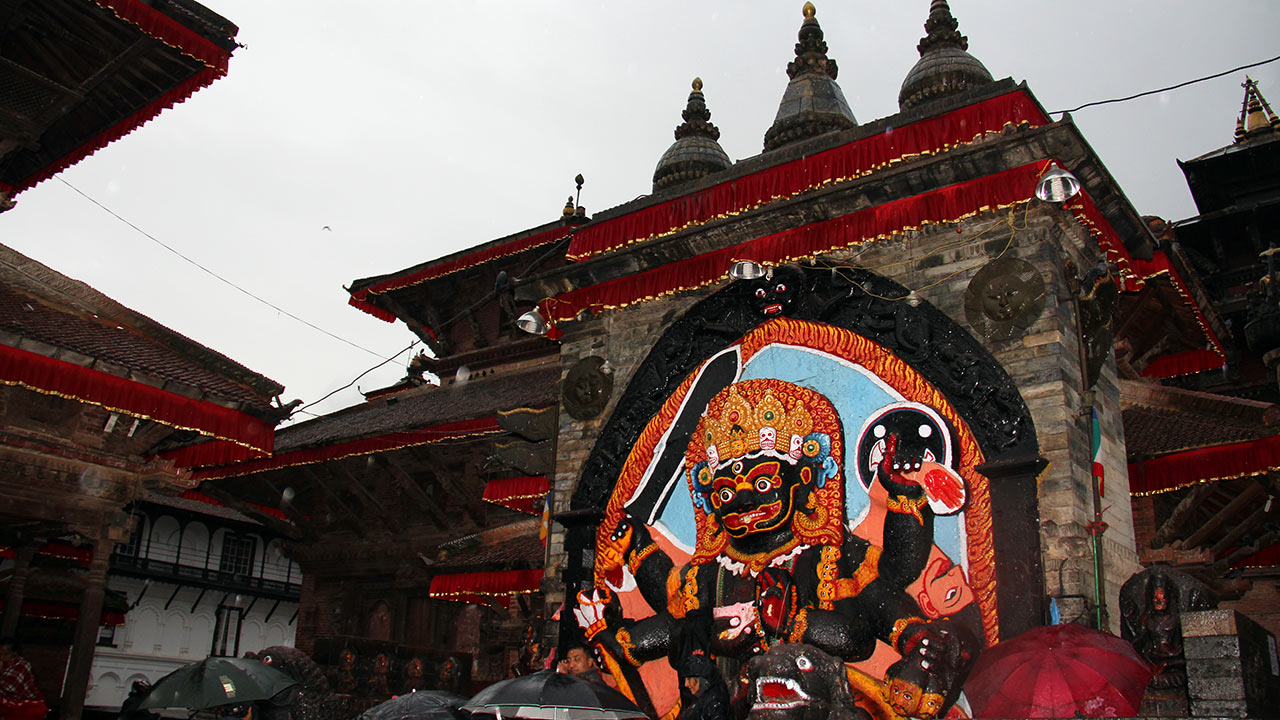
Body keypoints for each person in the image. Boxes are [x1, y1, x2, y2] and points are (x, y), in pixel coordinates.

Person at [0, 637, 45, 720]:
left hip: (28, 705)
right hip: (11, 704)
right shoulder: (3, 663)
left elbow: (9, 687)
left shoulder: (22, 665)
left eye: (5, 654)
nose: (1, 657)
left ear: (15, 653)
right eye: (0, 654)